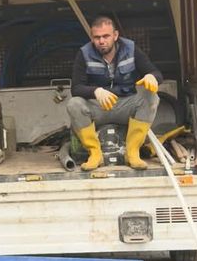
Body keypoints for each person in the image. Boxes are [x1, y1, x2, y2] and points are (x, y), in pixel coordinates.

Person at [67, 13, 162, 170]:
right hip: (98, 109)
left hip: (126, 106)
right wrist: (96, 91)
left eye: (106, 36)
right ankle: (95, 154)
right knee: (74, 104)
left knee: (151, 97)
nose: (102, 41)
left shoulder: (131, 49)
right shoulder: (84, 54)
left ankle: (132, 153)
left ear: (115, 35)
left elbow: (156, 72)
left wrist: (152, 77)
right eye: (97, 37)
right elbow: (76, 88)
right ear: (92, 38)